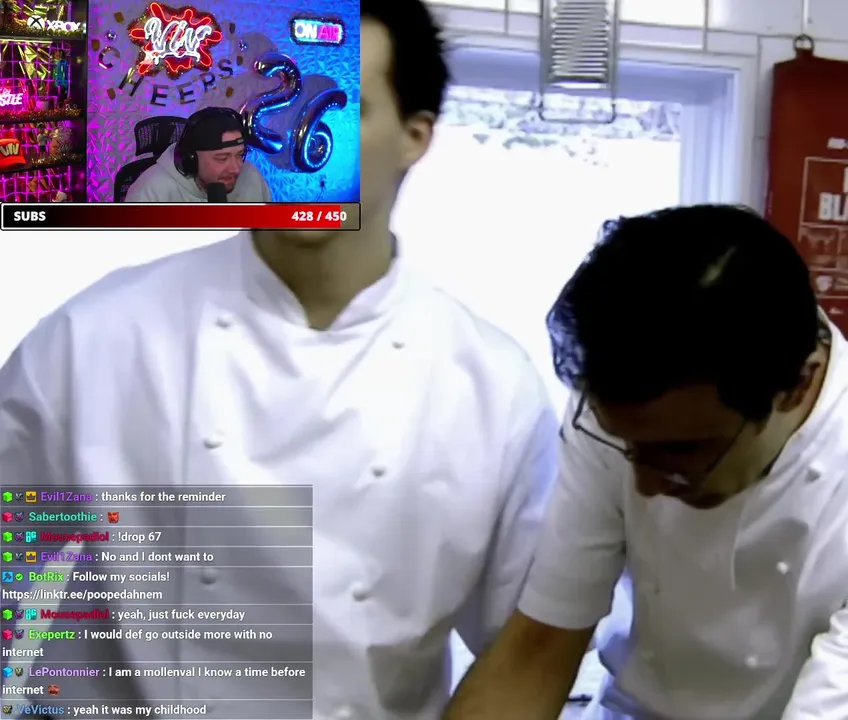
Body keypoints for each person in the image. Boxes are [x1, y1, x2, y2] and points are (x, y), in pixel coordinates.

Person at [0, 2, 557, 718]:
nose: (287, 134)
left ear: (414, 138)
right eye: (272, 102)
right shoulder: (94, 340)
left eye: (342, 107)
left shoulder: (490, 388)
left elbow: (524, 655)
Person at [446, 204, 848, 719]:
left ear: (795, 386)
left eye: (681, 452)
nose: (643, 485)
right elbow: (540, 646)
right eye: (625, 447)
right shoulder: (630, 409)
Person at [124, 106, 272, 202]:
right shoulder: (150, 192)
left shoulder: (252, 178)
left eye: (240, 155)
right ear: (191, 159)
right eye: (222, 158)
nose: (235, 168)